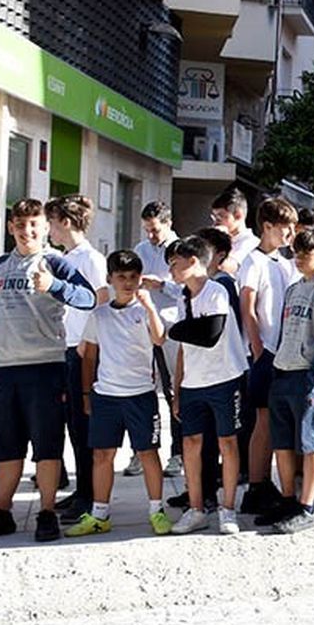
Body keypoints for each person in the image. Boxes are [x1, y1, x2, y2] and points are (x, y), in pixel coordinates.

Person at [0, 199, 101, 542]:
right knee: (6, 446)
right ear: (11, 228)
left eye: (34, 224)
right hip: (4, 368)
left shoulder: (54, 262)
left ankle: (47, 512)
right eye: (20, 225)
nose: (27, 231)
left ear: (46, 227)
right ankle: (1, 512)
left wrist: (54, 286)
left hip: (45, 367)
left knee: (47, 446)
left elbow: (88, 298)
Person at [65, 251, 170, 537]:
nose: (128, 283)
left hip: (140, 394)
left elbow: (160, 338)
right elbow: (88, 356)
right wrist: (86, 394)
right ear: (110, 278)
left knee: (148, 452)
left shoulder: (145, 310)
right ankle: (99, 514)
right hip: (106, 395)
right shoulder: (99, 315)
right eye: (121, 277)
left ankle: (156, 510)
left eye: (133, 277)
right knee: (102, 454)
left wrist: (149, 308)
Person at [165, 234, 249, 535]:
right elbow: (184, 347)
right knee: (191, 443)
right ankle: (197, 507)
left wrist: (173, 330)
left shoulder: (217, 291)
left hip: (224, 379)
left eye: (175, 265)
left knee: (227, 442)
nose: (171, 272)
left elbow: (210, 334)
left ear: (192, 262)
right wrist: (177, 389)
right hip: (193, 383)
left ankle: (228, 509)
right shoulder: (181, 297)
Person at [266, 228, 314, 534]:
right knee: (283, 443)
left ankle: (307, 506)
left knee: (309, 443)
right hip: (283, 371)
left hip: (306, 376)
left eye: (307, 253)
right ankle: (288, 499)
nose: (299, 258)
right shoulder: (294, 288)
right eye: (296, 252)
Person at [45, 194, 108, 519]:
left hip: (84, 351)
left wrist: (86, 343)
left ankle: (90, 493)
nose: (50, 231)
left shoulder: (90, 259)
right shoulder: (68, 257)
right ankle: (82, 488)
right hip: (67, 347)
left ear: (66, 222)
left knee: (84, 425)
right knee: (73, 424)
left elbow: (101, 302)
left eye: (52, 224)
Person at [237, 197, 297, 515]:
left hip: (282, 351)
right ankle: (256, 484)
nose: (290, 234)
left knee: (273, 421)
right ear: (268, 226)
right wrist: (260, 350)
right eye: (284, 227)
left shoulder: (283, 263)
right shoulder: (253, 262)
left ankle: (263, 481)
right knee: (262, 421)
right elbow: (248, 307)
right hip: (266, 353)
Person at [134, 201, 183, 480]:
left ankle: (177, 453)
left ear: (168, 223)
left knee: (174, 390)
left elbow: (188, 288)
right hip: (144, 327)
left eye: (154, 230)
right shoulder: (141, 250)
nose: (151, 236)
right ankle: (142, 451)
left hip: (170, 328)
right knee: (143, 390)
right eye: (147, 230)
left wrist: (162, 284)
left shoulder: (181, 249)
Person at [209, 185, 258, 263]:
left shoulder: (250, 243)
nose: (215, 223)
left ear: (238, 215)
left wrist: (217, 241)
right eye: (214, 218)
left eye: (219, 218)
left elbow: (228, 266)